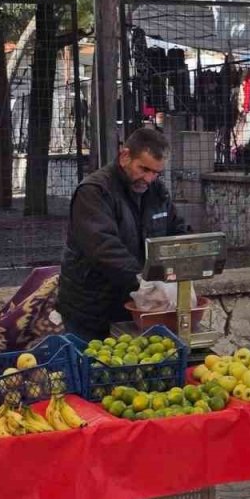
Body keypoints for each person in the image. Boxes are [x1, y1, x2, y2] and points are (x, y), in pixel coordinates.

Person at [56, 128, 188, 340]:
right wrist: (143, 282)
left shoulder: (157, 192)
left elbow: (176, 232)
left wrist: (184, 268)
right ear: (125, 156)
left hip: (137, 306)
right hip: (91, 309)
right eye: (144, 169)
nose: (149, 179)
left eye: (156, 173)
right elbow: (104, 249)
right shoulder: (94, 191)